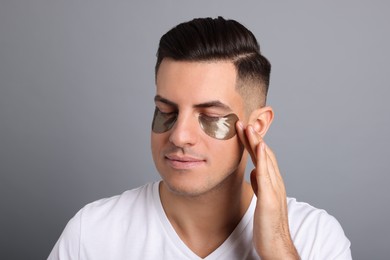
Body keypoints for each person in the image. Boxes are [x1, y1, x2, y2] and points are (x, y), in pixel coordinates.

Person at [48, 17, 352, 259]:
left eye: (210, 117)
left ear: (257, 125)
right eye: (166, 110)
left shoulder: (313, 238)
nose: (179, 135)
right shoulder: (93, 233)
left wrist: (277, 250)